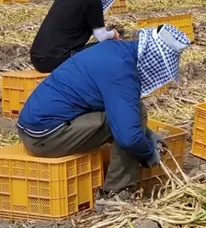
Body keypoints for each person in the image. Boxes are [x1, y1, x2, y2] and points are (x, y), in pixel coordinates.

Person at [17, 24, 191, 204]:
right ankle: (117, 193)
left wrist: (148, 134)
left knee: (128, 112)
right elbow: (128, 137)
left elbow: (115, 108)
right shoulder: (122, 73)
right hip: (46, 137)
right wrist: (148, 153)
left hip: (32, 126)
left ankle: (119, 185)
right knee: (133, 116)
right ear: (154, 59)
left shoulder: (114, 50)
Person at [30, 0, 120, 74]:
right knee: (110, 45)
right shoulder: (93, 0)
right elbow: (101, 36)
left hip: (37, 58)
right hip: (58, 59)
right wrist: (113, 34)